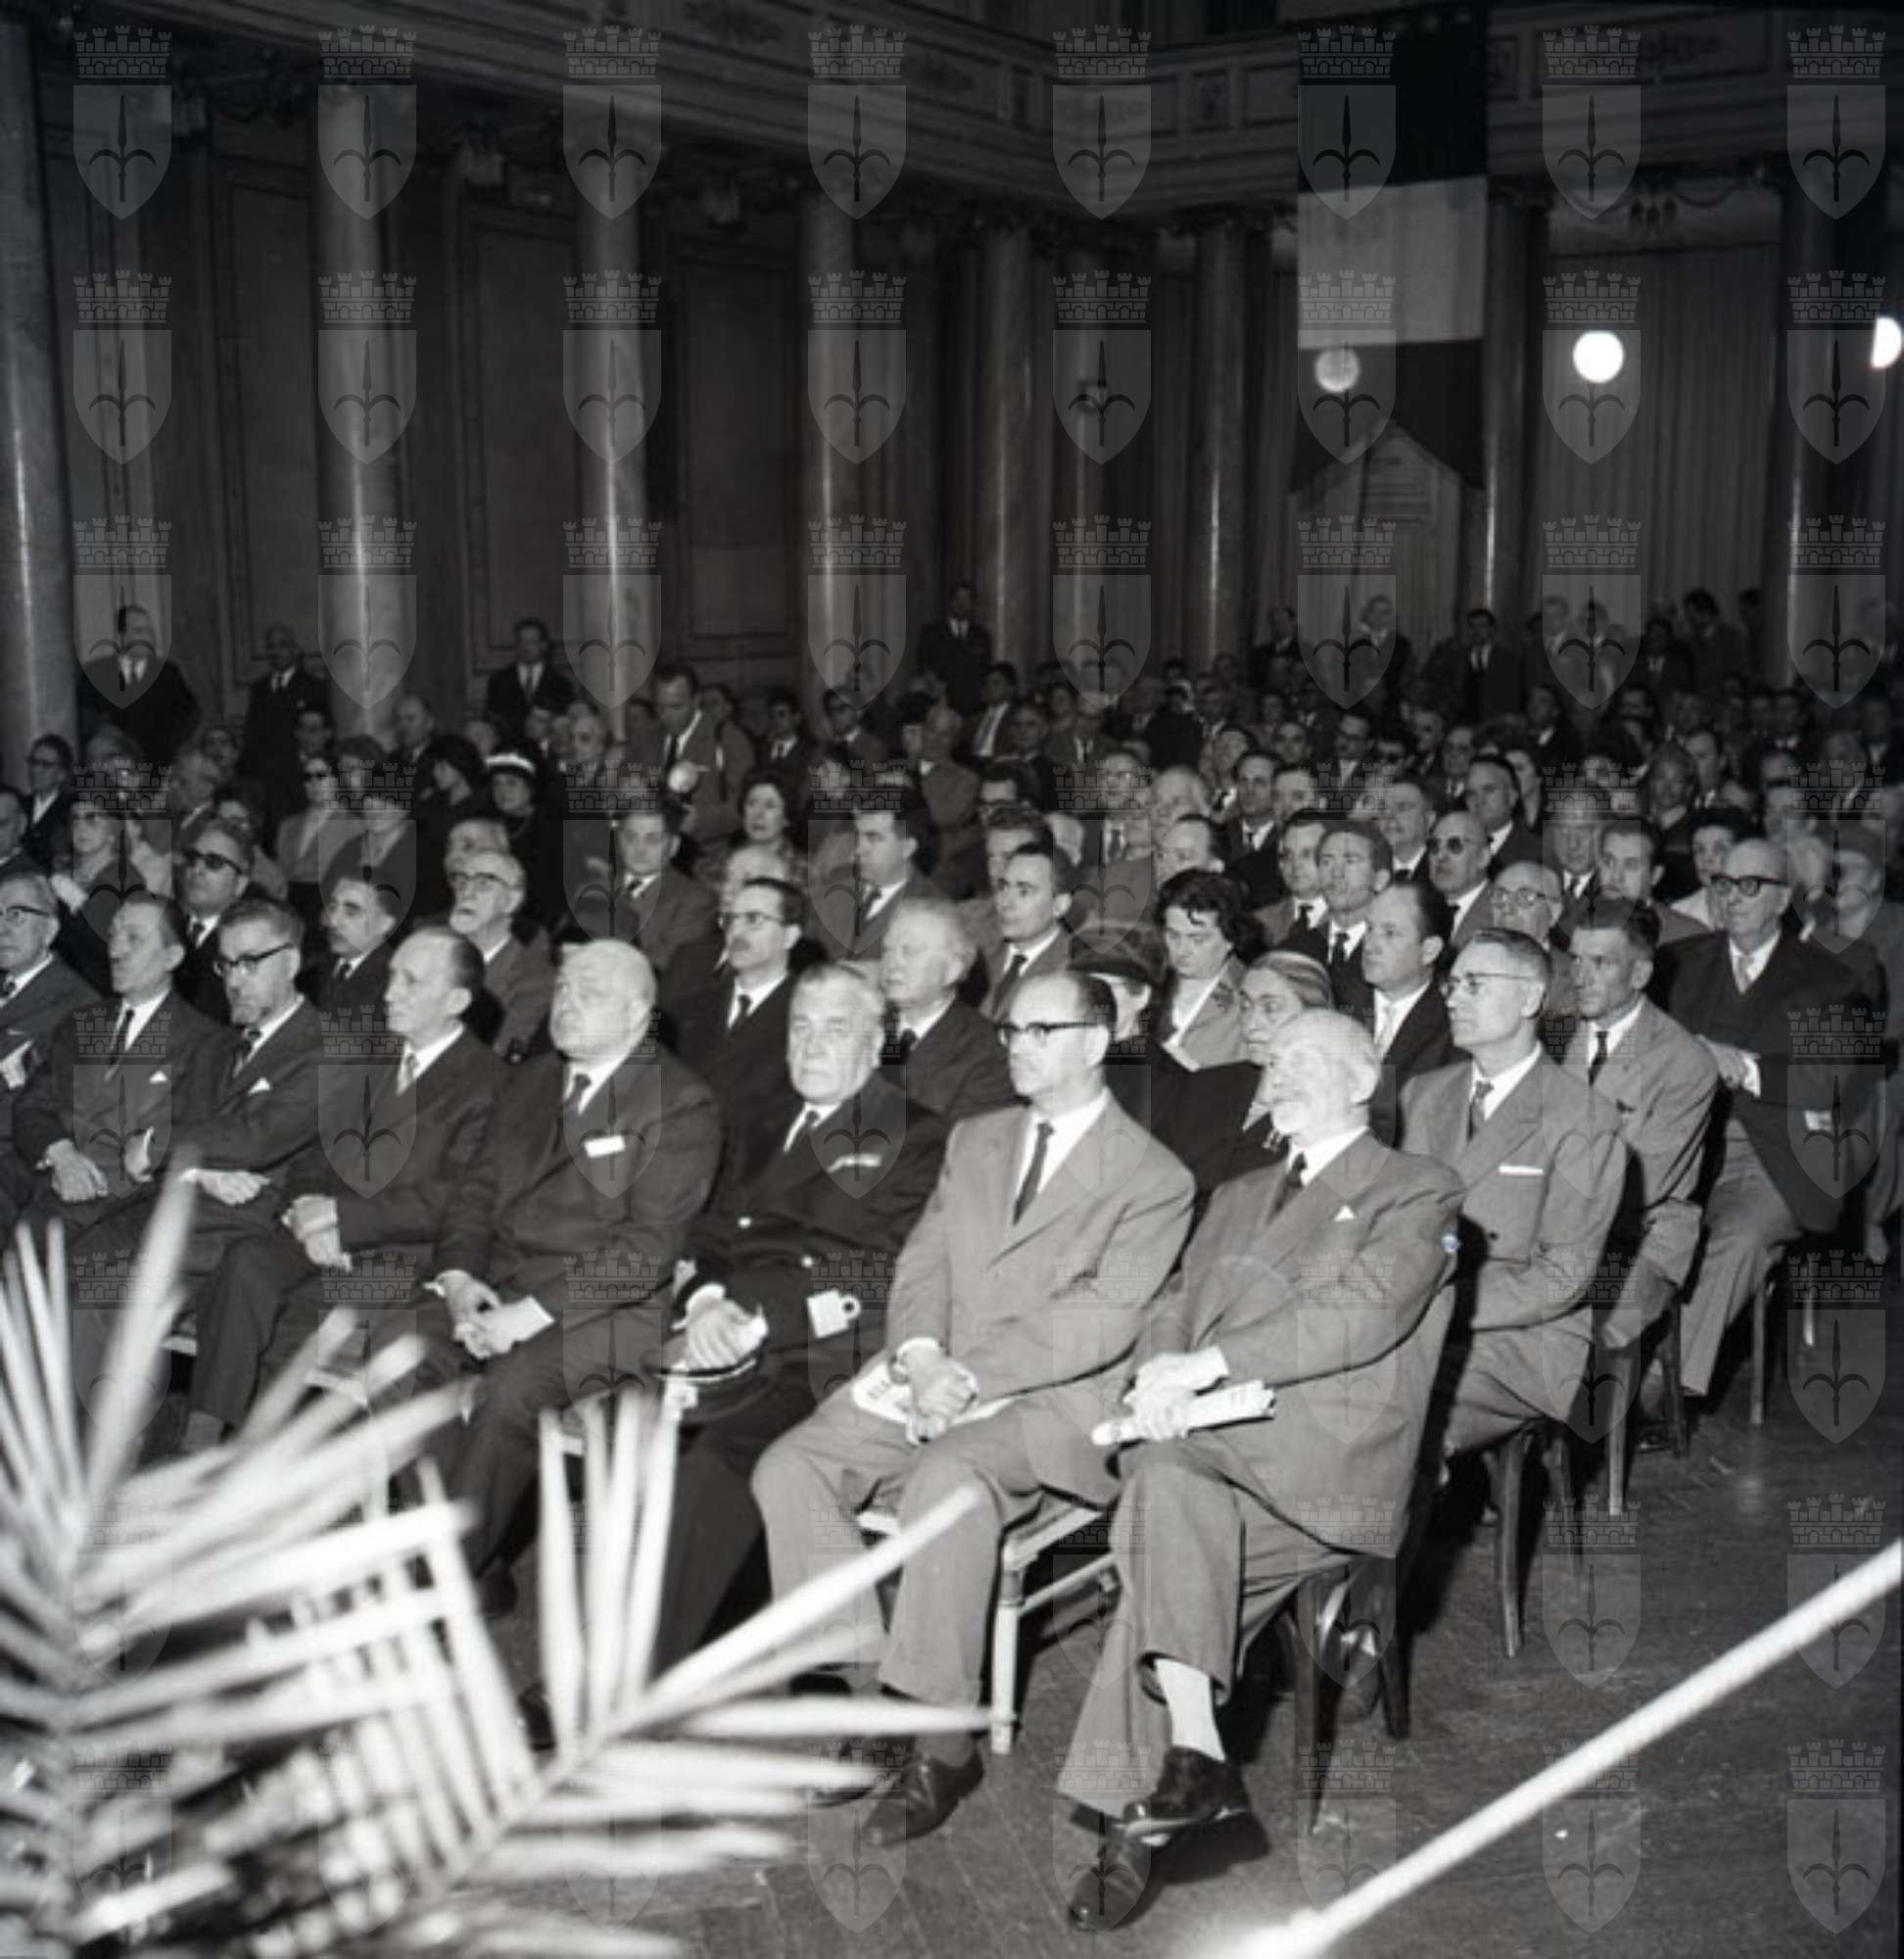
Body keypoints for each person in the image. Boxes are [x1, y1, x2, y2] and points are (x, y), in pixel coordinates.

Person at [752, 971, 1196, 1846]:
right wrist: (921, 1357)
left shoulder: (1154, 1177)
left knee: (949, 1478)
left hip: (1054, 1398)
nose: (1017, 1048)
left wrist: (967, 1379)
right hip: (935, 1371)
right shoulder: (978, 1137)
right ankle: (873, 1698)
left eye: (1040, 1032)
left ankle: (942, 1749)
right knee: (790, 1467)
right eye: (1010, 1032)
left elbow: (1099, 1321)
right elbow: (924, 1263)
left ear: (1096, 1041)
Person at [1057, 1010, 1463, 1929]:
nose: (1276, 1075)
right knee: (1166, 1499)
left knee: (1160, 1542)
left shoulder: (1417, 1188)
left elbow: (1362, 1314)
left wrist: (1205, 1367)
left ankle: (1145, 1815)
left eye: (1301, 1060)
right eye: (1270, 1062)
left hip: (1323, 1470)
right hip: (1206, 1450)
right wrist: (1157, 1372)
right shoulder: (1240, 1191)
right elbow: (1173, 1300)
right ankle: (1189, 1763)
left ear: (1364, 1080)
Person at [378, 938, 722, 1614]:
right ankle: (470, 1561)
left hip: (609, 1311)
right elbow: (474, 1193)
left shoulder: (680, 1103)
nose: (566, 1004)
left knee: (510, 1391)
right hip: (498, 1286)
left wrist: (529, 1315)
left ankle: (434, 1587)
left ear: (638, 1015)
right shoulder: (531, 1080)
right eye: (563, 989)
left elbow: (646, 1251)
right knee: (398, 1352)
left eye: (589, 994)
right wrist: (459, 1279)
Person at [633, 965, 950, 1674]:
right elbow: (711, 1230)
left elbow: (883, 1273)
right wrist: (705, 1301)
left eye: (835, 1029)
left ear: (877, 1041)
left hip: (824, 1348)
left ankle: (639, 1674)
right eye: (800, 1027)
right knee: (623, 1418)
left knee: (720, 1452)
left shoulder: (920, 1137)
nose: (811, 1045)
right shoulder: (761, 1117)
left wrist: (753, 1317)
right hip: (720, 1324)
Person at [177, 928, 506, 1450]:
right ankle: (202, 1437)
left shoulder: (490, 1083)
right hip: (323, 1235)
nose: (390, 992)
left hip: (401, 1256)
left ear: (456, 1002)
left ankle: (255, 1458)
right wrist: (305, 1208)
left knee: (295, 1325)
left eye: (411, 982)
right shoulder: (369, 1058)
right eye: (392, 976)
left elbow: (452, 1198)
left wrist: (343, 1221)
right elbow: (316, 1153)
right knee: (246, 1264)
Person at [1664, 838, 1874, 1411]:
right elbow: (1645, 1040)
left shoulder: (1828, 980)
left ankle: (1663, 1392)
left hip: (1774, 1154)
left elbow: (1829, 1080)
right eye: (1724, 884)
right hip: (1681, 1143)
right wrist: (1697, 1047)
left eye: (1750, 885)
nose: (1732, 897)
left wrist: (1744, 1066)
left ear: (1782, 900)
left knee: (1738, 1239)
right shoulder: (1680, 962)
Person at [1401, 930, 1625, 1455]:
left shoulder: (1584, 1118)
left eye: (1475, 984)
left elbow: (1562, 1277)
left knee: (1398, 1415)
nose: (1453, 998)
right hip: (1424, 1317)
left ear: (1529, 999)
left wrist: (1439, 1307)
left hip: (1523, 1340)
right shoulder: (1425, 1094)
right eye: (1453, 984)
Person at [65, 896, 325, 1297]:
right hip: (161, 1211)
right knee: (44, 1279)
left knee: (90, 1299)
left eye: (249, 963)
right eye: (226, 965)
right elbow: (150, 1129)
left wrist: (156, 1148)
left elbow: (256, 1137)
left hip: (232, 1235)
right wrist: (200, 1172)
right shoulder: (216, 1046)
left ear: (290, 963)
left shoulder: (326, 1049)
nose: (233, 981)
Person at [1561, 905, 1719, 1395]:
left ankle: (1581, 1434)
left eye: (1600, 962)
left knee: (1584, 1329)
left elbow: (1639, 1183)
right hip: (1550, 1223)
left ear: (1640, 974)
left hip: (1639, 1237)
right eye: (1575, 959)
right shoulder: (1553, 1035)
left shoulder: (1685, 1061)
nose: (1580, 977)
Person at [4, 892, 221, 1241]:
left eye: (134, 938)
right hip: (39, 1170)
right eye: (114, 934)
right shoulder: (83, 1021)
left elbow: (173, 1143)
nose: (115, 949)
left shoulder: (203, 1042)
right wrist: (62, 1153)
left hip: (111, 1197)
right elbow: (32, 1105)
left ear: (172, 956)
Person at [669, 876, 805, 1135]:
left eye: (753, 919)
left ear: (789, 936)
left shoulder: (806, 1013)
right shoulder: (687, 1008)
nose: (737, 932)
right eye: (731, 920)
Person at [877, 895, 1017, 1125]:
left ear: (952, 970)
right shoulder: (862, 1023)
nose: (891, 963)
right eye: (886, 950)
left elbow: (963, 1143)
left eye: (908, 951)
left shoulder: (988, 1055)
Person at [0, 869, 102, 1146]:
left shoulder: (81, 1007)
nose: (2, 929)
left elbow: (44, 1111)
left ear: (49, 930)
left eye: (16, 915)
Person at [576, 795, 718, 982]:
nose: (639, 849)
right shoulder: (590, 891)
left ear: (674, 846)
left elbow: (668, 964)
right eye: (631, 838)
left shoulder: (696, 899)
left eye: (653, 840)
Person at [1363, 881, 1454, 1144]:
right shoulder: (1337, 1005)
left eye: (1389, 933)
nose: (1369, 945)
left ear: (1429, 950)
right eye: (1369, 929)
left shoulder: (1453, 1027)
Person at [1281, 819, 1391, 1020]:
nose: (1336, 873)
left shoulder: (1394, 952)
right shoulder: (1293, 952)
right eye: (1326, 862)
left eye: (1350, 861)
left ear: (1380, 879)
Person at [822, 793, 939, 963]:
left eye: (873, 838)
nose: (858, 850)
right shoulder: (835, 885)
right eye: (858, 836)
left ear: (907, 848)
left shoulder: (933, 911)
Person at [1154, 870, 1253, 1070]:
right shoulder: (1148, 984)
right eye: (1173, 935)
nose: (1181, 950)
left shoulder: (1249, 998)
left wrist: (1200, 1077)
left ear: (1230, 938)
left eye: (1197, 940)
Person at [653, 662, 755, 843]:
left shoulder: (728, 738)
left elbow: (748, 804)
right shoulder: (646, 737)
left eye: (676, 707)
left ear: (696, 701)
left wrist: (702, 821)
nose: (665, 716)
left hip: (710, 853)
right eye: (660, 706)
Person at [980, 838, 1075, 1020]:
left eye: (1024, 891)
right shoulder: (978, 953)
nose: (1005, 903)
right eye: (1003, 887)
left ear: (1060, 905)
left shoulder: (1073, 969)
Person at [311, 867, 404, 1021]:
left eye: (351, 912)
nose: (333, 921)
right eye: (332, 907)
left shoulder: (393, 986)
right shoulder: (314, 966)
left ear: (384, 924)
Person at [484, 616, 575, 741]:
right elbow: (492, 719)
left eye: (532, 642)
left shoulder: (560, 683)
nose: (525, 647)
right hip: (509, 746)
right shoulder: (499, 680)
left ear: (544, 645)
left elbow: (563, 722)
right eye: (521, 641)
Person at [917, 579, 993, 718]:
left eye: (966, 599)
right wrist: (935, 687)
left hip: (973, 705)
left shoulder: (981, 635)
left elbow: (986, 669)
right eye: (957, 598)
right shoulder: (932, 632)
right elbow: (923, 666)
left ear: (973, 604)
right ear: (950, 602)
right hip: (940, 703)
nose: (961, 603)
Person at [1425, 808, 1492, 952]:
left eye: (1454, 845)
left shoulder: (1500, 913)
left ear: (1483, 857)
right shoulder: (1422, 910)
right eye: (1434, 846)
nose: (1440, 856)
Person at [1222, 749, 1284, 904]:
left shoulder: (1286, 840)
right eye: (1243, 781)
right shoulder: (1218, 836)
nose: (1249, 790)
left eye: (1259, 782)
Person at [22, 736, 74, 871]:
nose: (35, 770)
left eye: (45, 765)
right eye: (33, 762)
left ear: (62, 774)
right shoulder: (20, 805)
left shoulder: (71, 809)